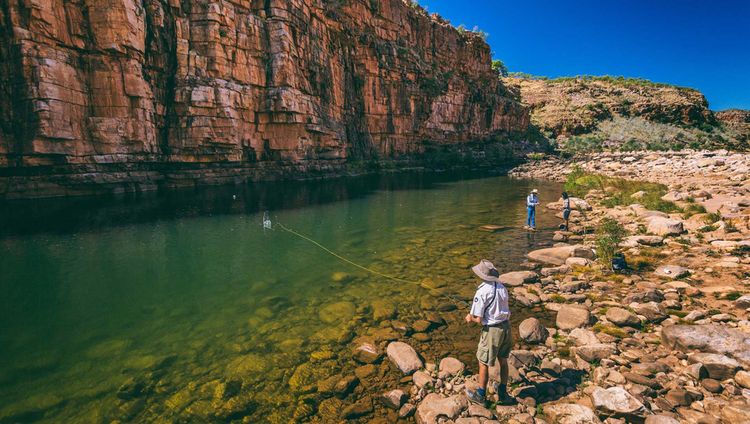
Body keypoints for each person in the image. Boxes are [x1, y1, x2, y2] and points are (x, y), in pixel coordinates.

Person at [464, 260, 515, 405]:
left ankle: (480, 395)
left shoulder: (482, 291)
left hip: (492, 331)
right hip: (506, 328)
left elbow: (478, 319)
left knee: (483, 362)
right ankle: (503, 392)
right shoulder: (502, 287)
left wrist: (470, 318)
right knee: (503, 361)